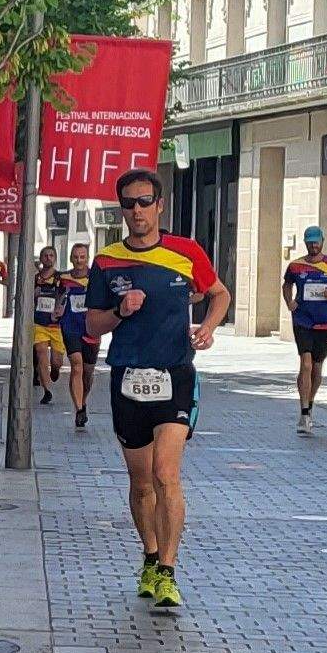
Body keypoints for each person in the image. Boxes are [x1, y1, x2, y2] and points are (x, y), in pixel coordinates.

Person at [86, 167, 229, 613]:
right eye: (128, 204)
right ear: (121, 209)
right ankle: (150, 554)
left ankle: (168, 570)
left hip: (175, 375)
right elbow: (92, 325)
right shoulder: (107, 261)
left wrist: (207, 327)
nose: (137, 211)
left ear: (159, 205)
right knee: (140, 481)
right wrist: (120, 311)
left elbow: (219, 294)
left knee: (167, 474)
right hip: (128, 377)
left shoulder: (185, 252)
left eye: (144, 202)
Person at [282, 225, 327, 437]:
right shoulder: (296, 266)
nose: (313, 245)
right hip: (303, 320)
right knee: (305, 363)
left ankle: (310, 404)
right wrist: (290, 302)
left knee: (317, 368)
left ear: (323, 241)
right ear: (305, 242)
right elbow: (286, 285)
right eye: (310, 242)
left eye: (316, 241)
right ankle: (303, 413)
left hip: (325, 323)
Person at [60, 241, 99, 429]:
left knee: (88, 371)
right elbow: (57, 297)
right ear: (71, 258)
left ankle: (83, 401)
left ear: (87, 258)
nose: (79, 260)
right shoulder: (64, 278)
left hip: (91, 328)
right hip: (70, 326)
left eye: (82, 257)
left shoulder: (96, 277)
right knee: (76, 366)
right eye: (75, 257)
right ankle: (78, 409)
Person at [29, 245, 65, 407]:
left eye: (51, 255)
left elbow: (66, 296)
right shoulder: (35, 278)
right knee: (41, 353)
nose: (48, 258)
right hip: (39, 323)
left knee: (56, 361)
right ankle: (47, 391)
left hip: (56, 325)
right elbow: (26, 297)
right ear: (41, 258)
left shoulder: (60, 278)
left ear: (55, 258)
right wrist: (33, 294)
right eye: (45, 255)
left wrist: (60, 307)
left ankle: (55, 370)